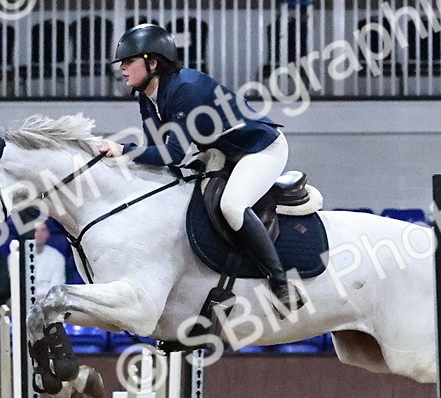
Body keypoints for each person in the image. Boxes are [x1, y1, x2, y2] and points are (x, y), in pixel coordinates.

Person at [94, 23, 303, 312]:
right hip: (222, 152)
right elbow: (156, 149)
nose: (122, 68)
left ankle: (280, 283)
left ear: (152, 62)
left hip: (260, 149)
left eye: (129, 61)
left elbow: (173, 154)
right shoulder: (146, 96)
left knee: (232, 205)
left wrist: (122, 150)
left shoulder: (185, 89)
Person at [32, 220, 67, 300]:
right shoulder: (18, 256)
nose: (39, 234)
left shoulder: (57, 257)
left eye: (43, 230)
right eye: (36, 230)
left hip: (48, 301)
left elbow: (56, 287)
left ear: (48, 234)